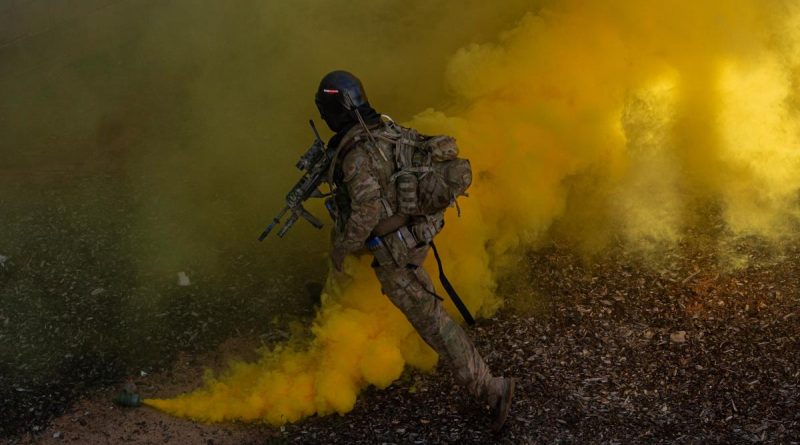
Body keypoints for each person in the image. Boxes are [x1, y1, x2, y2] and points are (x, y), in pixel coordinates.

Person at [315, 70, 515, 431]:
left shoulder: (356, 155)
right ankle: (334, 335)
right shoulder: (387, 129)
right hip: (416, 232)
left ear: (336, 110)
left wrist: (342, 249)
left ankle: (491, 388)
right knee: (416, 306)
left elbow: (367, 212)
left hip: (398, 251)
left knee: (433, 322)